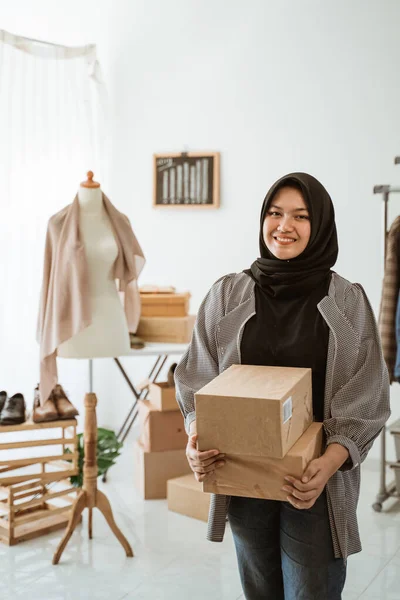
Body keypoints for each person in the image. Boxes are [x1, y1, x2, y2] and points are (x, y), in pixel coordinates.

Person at [174, 172, 390, 600]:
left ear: (321, 224)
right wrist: (195, 439)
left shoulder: (346, 301)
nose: (284, 225)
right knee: (259, 589)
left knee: (312, 592)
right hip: (242, 475)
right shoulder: (227, 295)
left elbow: (367, 393)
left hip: (315, 485)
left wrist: (326, 464)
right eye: (275, 213)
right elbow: (197, 375)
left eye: (300, 216)